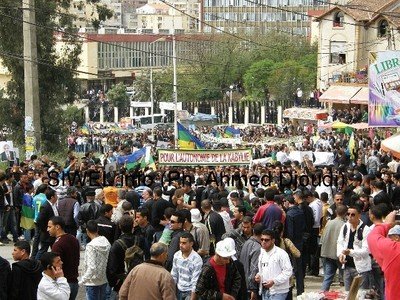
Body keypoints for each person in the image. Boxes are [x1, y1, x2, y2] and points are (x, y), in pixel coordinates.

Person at [337, 205, 372, 292]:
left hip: (361, 269)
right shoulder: (345, 227)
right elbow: (340, 242)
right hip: (347, 266)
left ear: (359, 215)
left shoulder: (366, 229)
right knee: (348, 294)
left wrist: (350, 252)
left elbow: (366, 250)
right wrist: (341, 254)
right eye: (348, 214)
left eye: (353, 214)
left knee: (362, 295)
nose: (349, 217)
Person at [107, 215, 144, 295]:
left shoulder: (117, 245)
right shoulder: (140, 240)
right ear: (133, 225)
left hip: (122, 281)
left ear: (120, 226)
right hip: (139, 278)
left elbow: (111, 268)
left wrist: (113, 283)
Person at [367, 211, 400, 300]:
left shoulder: (393, 249)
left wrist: (387, 224)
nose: (389, 239)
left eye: (390, 237)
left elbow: (372, 237)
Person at [48, 216, 80, 300]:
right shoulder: (73, 239)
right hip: (74, 283)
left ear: (57, 227)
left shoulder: (57, 244)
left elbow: (56, 266)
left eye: (50, 227)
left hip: (64, 284)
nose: (48, 229)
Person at [255, 229, 293, 300]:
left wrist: (274, 281)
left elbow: (288, 271)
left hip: (279, 292)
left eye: (266, 240)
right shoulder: (262, 253)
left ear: (273, 240)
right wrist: (259, 276)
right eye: (262, 239)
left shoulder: (281, 254)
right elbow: (262, 269)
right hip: (265, 291)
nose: (263, 242)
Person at [79, 220, 111, 300]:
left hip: (92, 283)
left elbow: (91, 267)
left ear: (87, 230)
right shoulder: (106, 242)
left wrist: (82, 280)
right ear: (97, 229)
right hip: (103, 279)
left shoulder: (90, 246)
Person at [320, 204, 347, 291]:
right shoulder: (344, 225)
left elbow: (323, 237)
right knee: (345, 278)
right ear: (346, 213)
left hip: (327, 253)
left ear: (335, 212)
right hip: (339, 255)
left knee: (327, 277)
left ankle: (322, 294)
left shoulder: (329, 223)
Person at [171, 232, 204, 300]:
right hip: (178, 289)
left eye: (184, 243)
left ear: (191, 244)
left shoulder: (197, 259)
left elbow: (195, 281)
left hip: (189, 292)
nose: (181, 245)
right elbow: (174, 274)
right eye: (180, 242)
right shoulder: (176, 255)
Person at [239, 223, 263, 300]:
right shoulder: (257, 247)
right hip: (250, 288)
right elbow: (254, 269)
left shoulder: (246, 242)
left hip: (243, 284)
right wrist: (253, 290)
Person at [36, 188, 59, 259]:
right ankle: (35, 264)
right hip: (47, 235)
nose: (57, 197)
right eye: (56, 195)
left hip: (54, 233)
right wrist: (46, 229)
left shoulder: (53, 205)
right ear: (52, 197)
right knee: (43, 250)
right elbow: (39, 220)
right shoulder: (45, 206)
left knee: (55, 250)